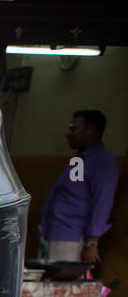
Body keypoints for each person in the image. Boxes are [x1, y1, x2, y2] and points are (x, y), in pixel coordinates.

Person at [39, 109, 120, 266]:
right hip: (51, 235)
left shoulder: (103, 162)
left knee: (61, 289)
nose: (68, 133)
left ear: (91, 130)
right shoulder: (79, 160)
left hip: (70, 239)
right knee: (47, 288)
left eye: (74, 128)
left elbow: (102, 204)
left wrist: (92, 243)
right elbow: (69, 195)